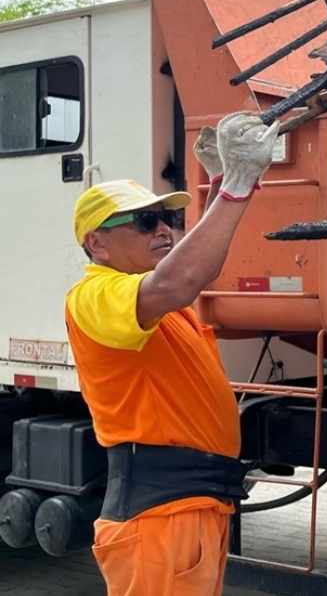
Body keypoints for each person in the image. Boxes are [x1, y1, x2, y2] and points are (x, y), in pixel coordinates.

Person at [66, 112, 279, 595]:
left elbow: (194, 268)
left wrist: (221, 182)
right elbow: (180, 280)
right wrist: (236, 188)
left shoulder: (159, 302)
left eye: (170, 219)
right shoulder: (95, 295)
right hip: (159, 515)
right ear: (96, 243)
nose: (163, 230)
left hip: (190, 505)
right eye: (144, 222)